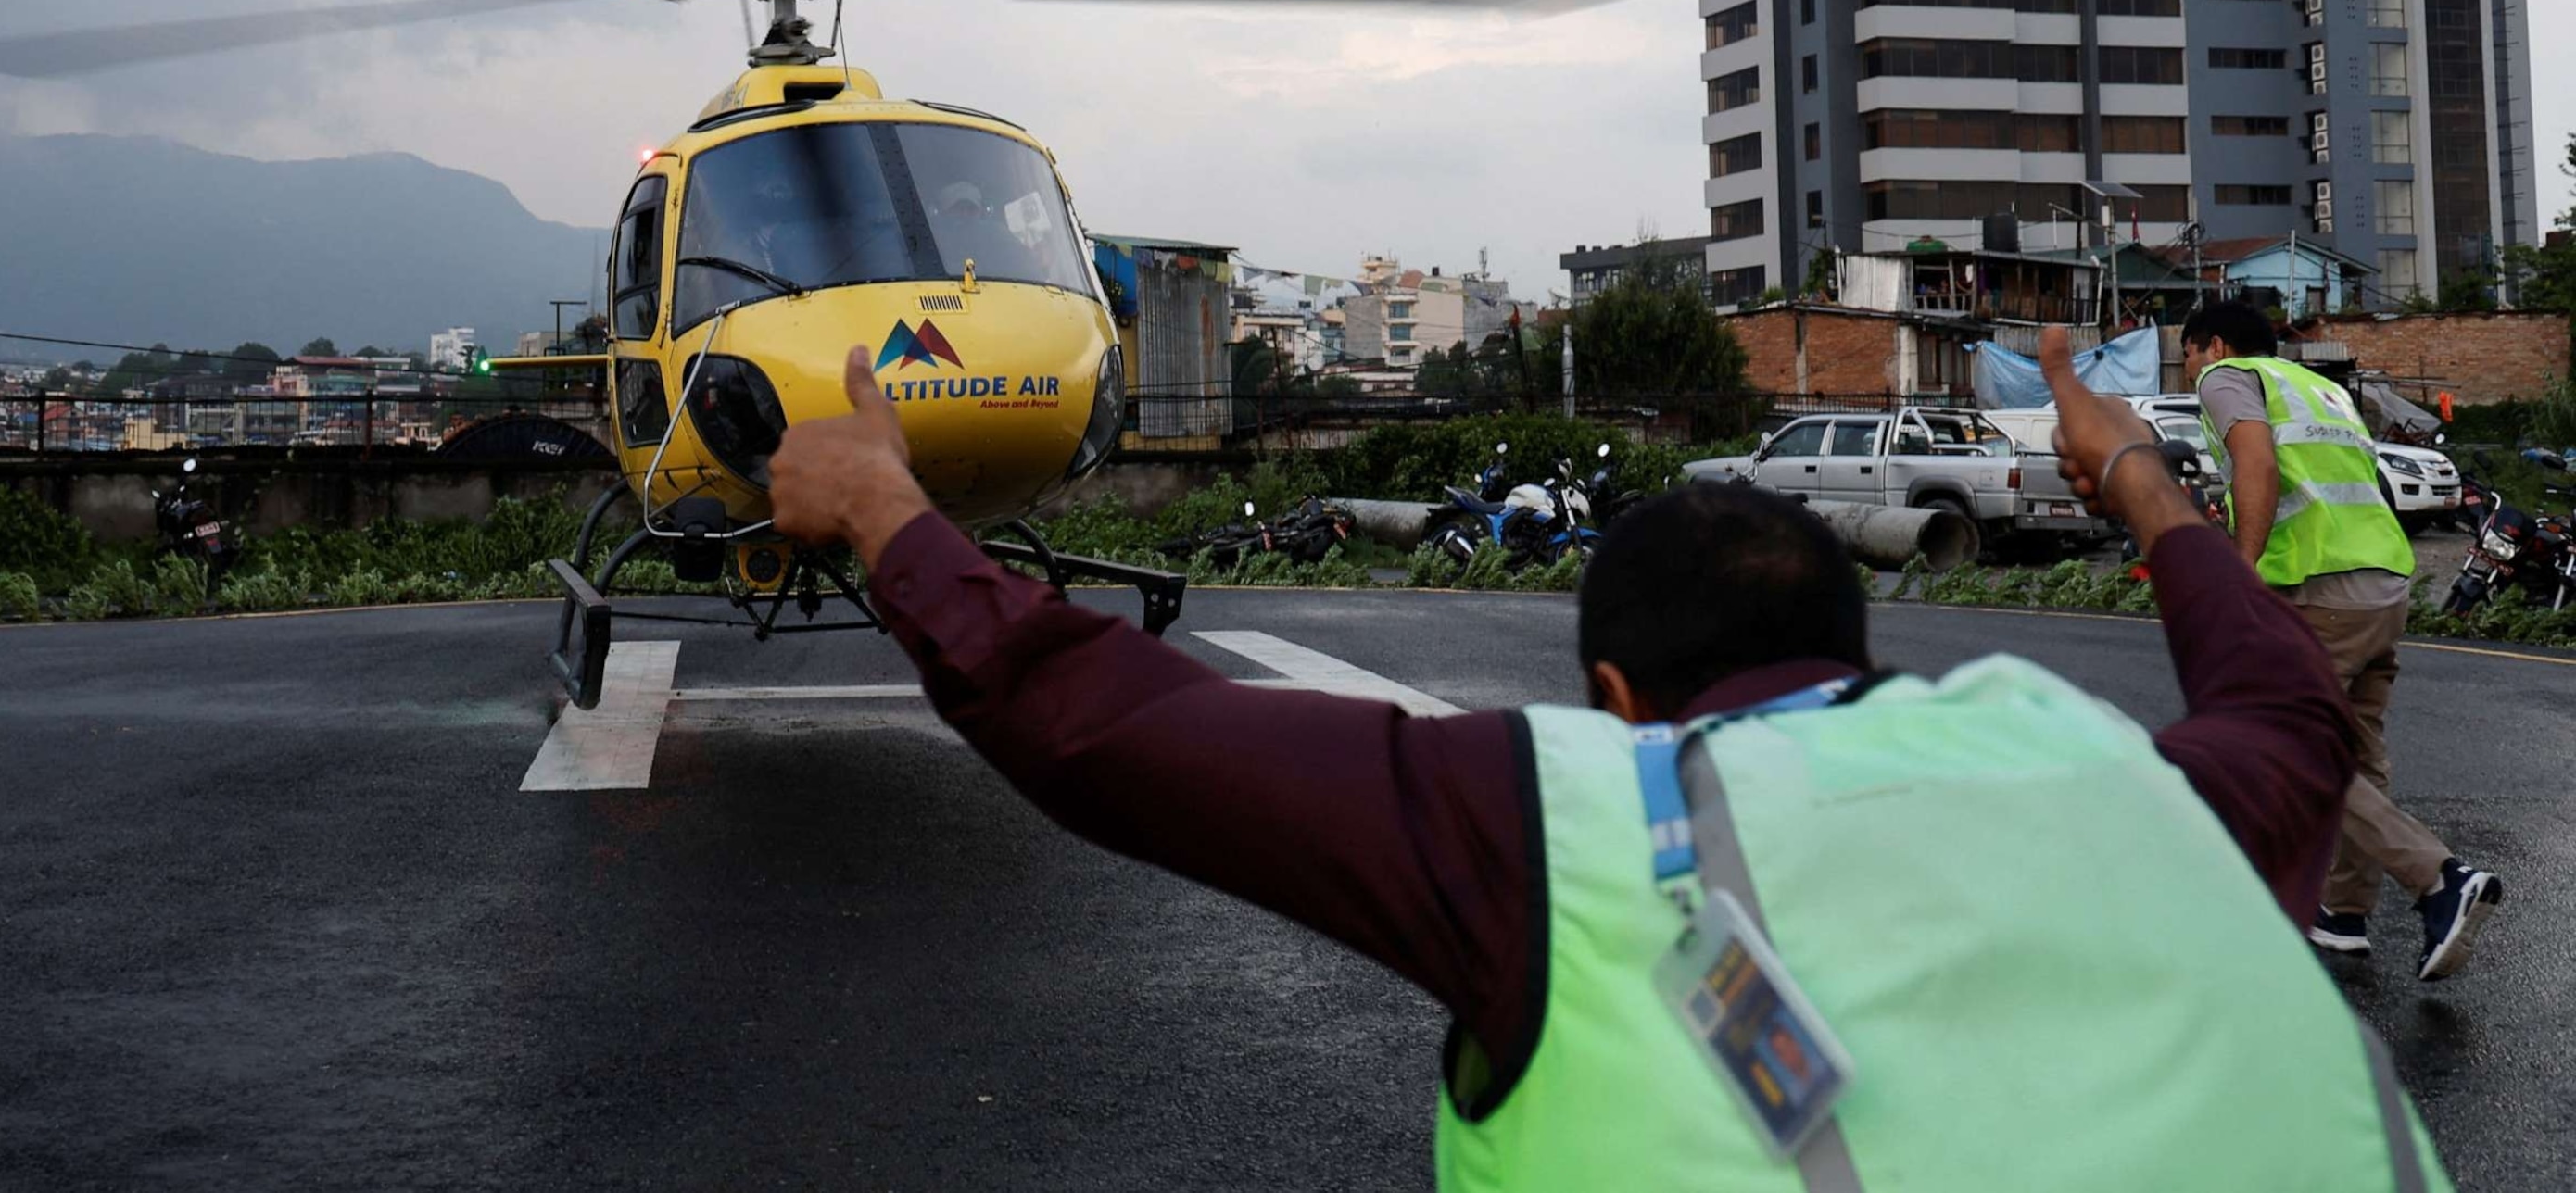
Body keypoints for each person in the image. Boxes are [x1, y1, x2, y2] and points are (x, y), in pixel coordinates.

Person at [771, 329, 2448, 1190]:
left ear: (1615, 690)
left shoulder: (1573, 821)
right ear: (1849, 647)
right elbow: (2280, 702)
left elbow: (1106, 725)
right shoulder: (2112, 772)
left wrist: (883, 510)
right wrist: (2139, 481)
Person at [2185, 297, 2503, 978]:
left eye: (2187, 355)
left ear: (2212, 345)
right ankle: (2344, 914)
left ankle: (2441, 880)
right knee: (2356, 754)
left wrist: (2239, 575)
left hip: (2316, 586)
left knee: (2284, 744)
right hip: (2384, 580)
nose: (2189, 372)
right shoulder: (2322, 388)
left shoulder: (2228, 378)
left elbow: (2257, 465)